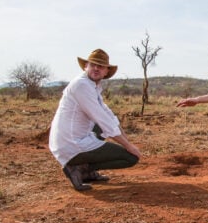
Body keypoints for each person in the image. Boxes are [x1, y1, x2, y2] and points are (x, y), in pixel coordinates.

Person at [49, 49, 140, 191]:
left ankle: (87, 171)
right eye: (93, 65)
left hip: (72, 139)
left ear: (106, 72)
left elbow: (109, 116)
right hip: (70, 144)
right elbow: (103, 120)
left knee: (105, 124)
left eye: (101, 66)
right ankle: (77, 168)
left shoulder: (93, 86)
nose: (96, 68)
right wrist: (129, 147)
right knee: (130, 158)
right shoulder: (82, 85)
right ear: (86, 66)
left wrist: (128, 142)